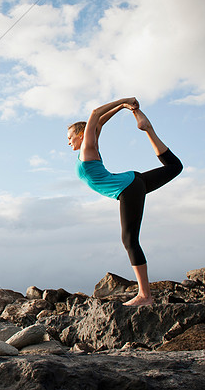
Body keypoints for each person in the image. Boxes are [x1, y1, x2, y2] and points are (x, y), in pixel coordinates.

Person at [68, 97, 183, 306]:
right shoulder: (91, 145)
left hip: (127, 188)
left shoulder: (87, 148)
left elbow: (95, 114)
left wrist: (125, 100)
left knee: (129, 240)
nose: (68, 142)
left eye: (70, 137)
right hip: (132, 182)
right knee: (175, 167)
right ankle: (148, 129)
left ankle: (145, 295)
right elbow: (100, 123)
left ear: (81, 135)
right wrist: (121, 108)